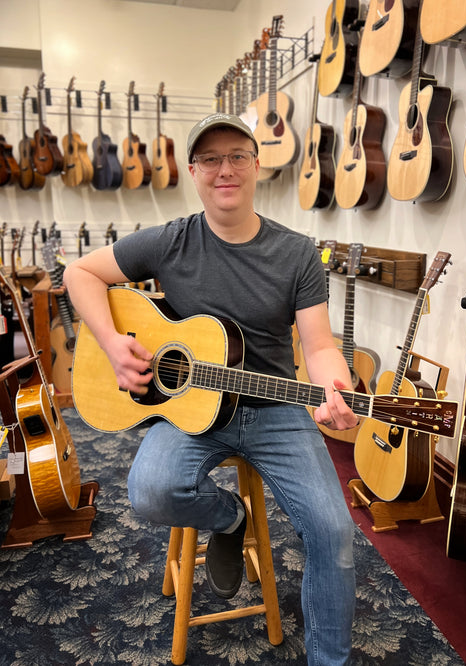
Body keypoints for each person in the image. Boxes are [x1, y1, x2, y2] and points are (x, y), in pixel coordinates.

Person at [63, 112, 358, 665]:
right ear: (194, 172)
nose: (226, 170)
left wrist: (335, 385)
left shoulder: (297, 253)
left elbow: (317, 346)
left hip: (276, 408)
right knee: (149, 491)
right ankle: (230, 518)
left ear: (256, 165)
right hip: (191, 410)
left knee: (335, 535)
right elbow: (80, 273)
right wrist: (110, 343)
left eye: (237, 157)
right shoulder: (170, 241)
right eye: (212, 160)